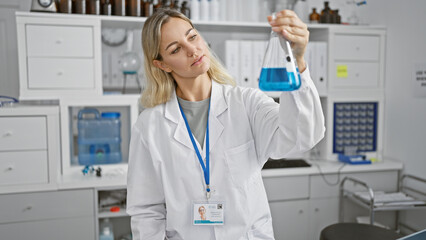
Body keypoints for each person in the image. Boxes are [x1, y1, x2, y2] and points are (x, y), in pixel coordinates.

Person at [127, 9, 325, 240]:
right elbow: (146, 210)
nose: (193, 50)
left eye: (192, 37)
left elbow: (300, 138)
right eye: (176, 49)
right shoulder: (150, 125)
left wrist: (298, 62)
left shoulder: (246, 103)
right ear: (162, 65)